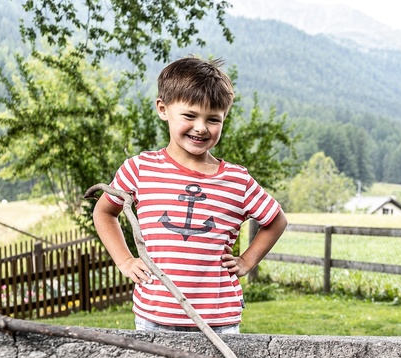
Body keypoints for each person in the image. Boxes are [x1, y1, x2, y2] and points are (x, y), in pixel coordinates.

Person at [93, 56, 287, 334]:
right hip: (155, 315)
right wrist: (124, 260)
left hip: (218, 319)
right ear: (163, 109)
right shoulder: (140, 169)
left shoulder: (237, 180)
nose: (201, 127)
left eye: (213, 119)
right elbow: (104, 211)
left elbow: (276, 220)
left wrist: (246, 261)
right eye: (189, 116)